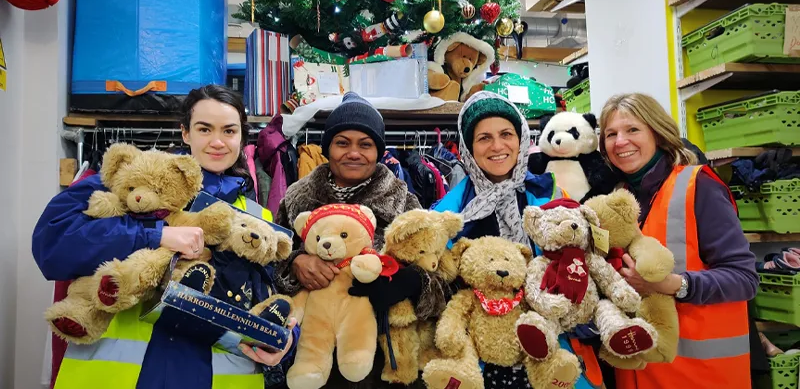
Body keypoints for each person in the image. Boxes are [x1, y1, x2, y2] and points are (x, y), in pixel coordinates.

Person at [33, 85, 297, 389]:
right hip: (121, 378)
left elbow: (275, 299)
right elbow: (51, 244)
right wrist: (157, 235)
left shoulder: (258, 219)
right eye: (204, 129)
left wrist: (284, 341)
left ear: (242, 137)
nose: (217, 142)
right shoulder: (134, 179)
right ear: (185, 132)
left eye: (229, 131)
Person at [432, 91, 603, 389]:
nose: (497, 146)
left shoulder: (549, 195)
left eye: (506, 134)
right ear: (468, 148)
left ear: (521, 138)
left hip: (550, 345)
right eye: (484, 138)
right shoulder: (449, 213)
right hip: (483, 357)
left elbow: (581, 262)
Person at [275, 92, 440, 388]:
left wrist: (411, 282)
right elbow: (269, 258)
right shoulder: (297, 199)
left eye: (365, 144)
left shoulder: (403, 201)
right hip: (312, 357)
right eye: (342, 143)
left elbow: (439, 275)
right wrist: (295, 262)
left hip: (386, 358)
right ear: (327, 148)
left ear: (378, 151)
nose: (354, 153)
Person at [598, 93, 758, 389]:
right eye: (611, 134)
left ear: (658, 134)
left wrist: (672, 285)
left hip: (700, 377)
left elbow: (744, 278)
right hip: (637, 374)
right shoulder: (615, 200)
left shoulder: (698, 186)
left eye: (632, 130)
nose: (620, 141)